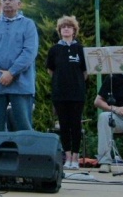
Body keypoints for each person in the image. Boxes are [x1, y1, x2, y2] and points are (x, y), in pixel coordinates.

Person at [0, 0, 38, 131]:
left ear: (19, 4)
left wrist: (11, 73)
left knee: (23, 127)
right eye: (4, 0)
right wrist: (0, 75)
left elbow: (29, 52)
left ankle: (25, 154)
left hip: (21, 84)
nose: (6, 2)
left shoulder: (28, 25)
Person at [46, 15, 87, 170]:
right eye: (63, 27)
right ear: (60, 30)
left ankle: (76, 157)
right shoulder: (54, 50)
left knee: (75, 125)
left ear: (74, 30)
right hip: (60, 93)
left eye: (69, 27)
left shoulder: (81, 49)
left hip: (77, 93)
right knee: (63, 125)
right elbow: (51, 70)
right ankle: (67, 156)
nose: (66, 29)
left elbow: (85, 72)